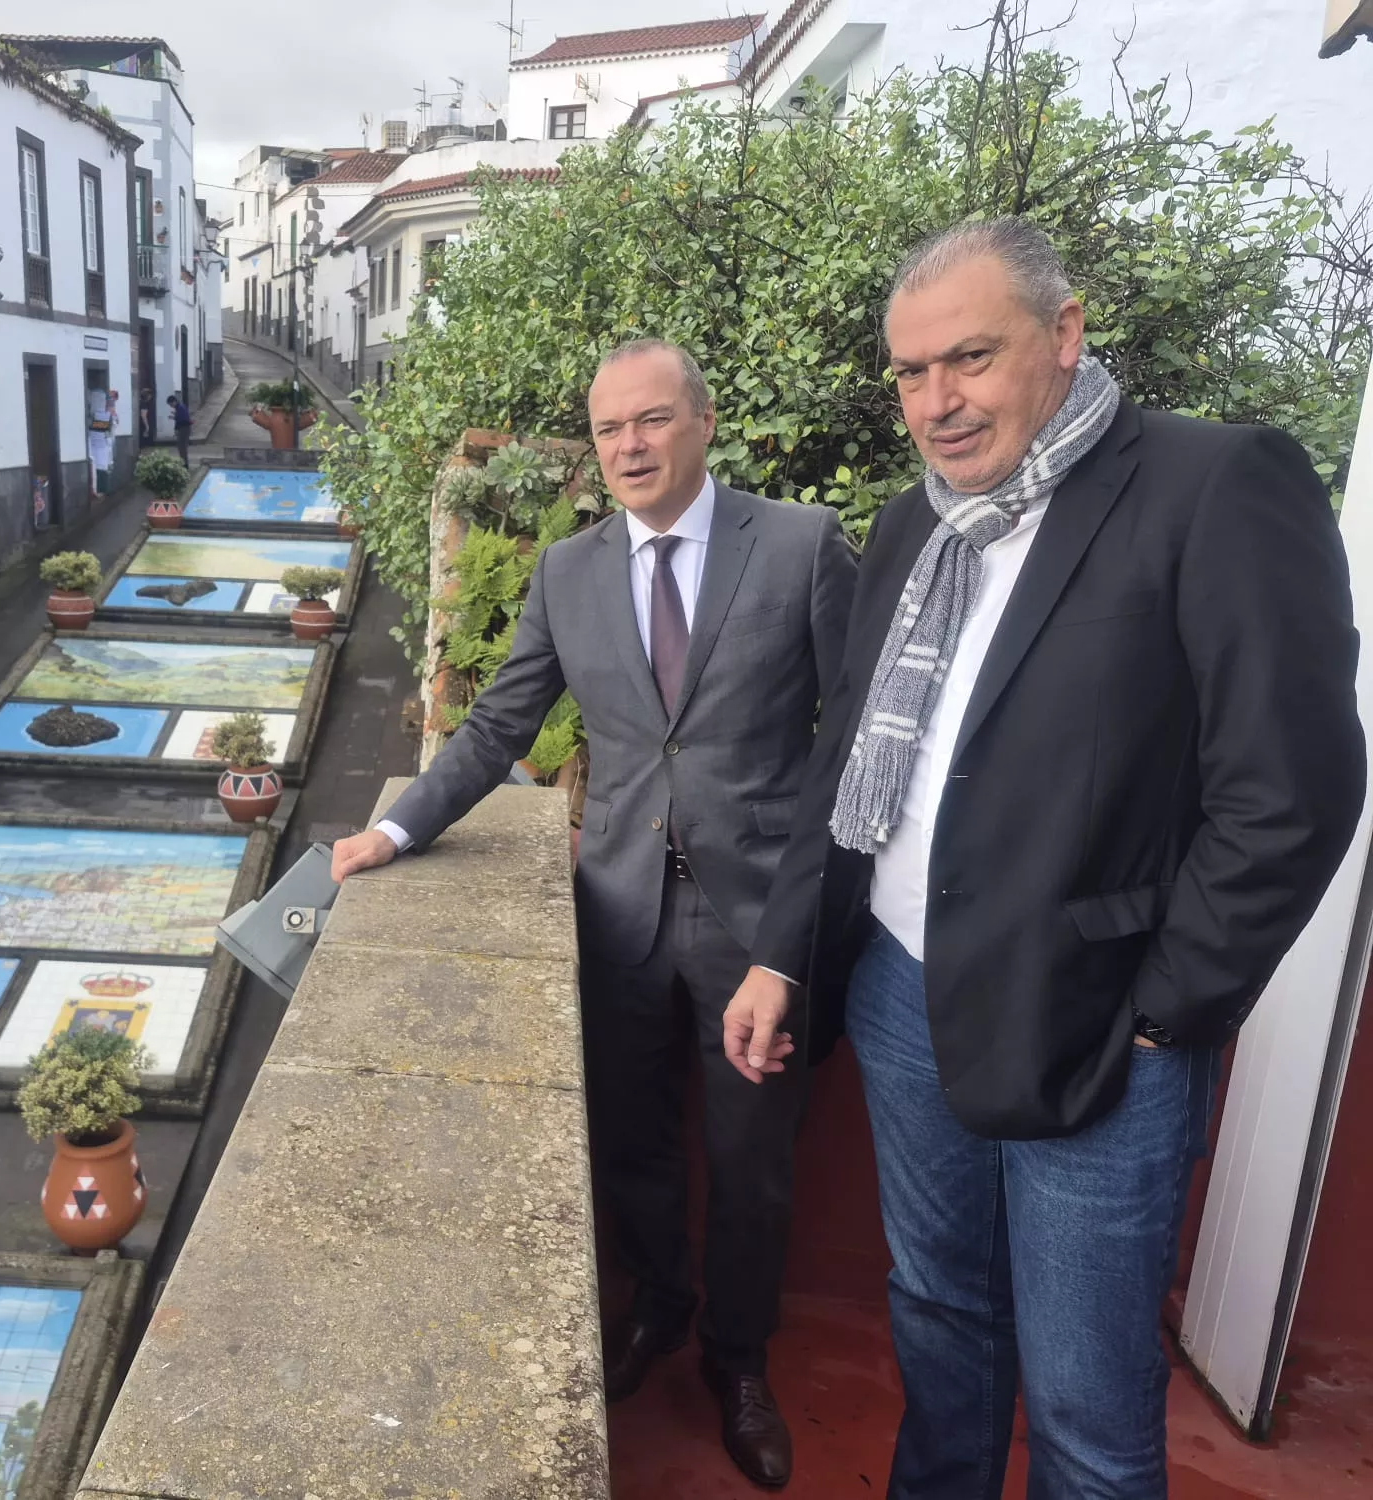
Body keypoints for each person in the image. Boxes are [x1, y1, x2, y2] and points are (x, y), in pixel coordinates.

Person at [727, 218, 1364, 1498]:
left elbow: (1292, 789)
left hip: (1094, 1029)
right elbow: (852, 758)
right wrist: (780, 957)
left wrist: (1165, 1012)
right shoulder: (915, 523)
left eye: (967, 357)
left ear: (1062, 337)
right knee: (938, 1323)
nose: (935, 402)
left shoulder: (1212, 484)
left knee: (1084, 1405)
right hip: (902, 997)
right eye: (908, 373)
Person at [331, 338, 855, 1487]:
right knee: (628, 1138)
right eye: (609, 427)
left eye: (652, 420)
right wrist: (396, 830)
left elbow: (850, 751)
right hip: (616, 909)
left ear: (703, 423)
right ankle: (657, 1305)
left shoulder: (802, 547)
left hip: (756, 924)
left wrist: (798, 932)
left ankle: (738, 1358)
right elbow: (495, 725)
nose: (628, 444)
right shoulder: (569, 573)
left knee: (751, 1157)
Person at [168, 391, 193, 467]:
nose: (171, 406)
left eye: (171, 404)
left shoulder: (180, 408)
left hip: (184, 429)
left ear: (174, 402)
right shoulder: (179, 407)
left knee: (182, 447)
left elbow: (183, 419)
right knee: (181, 447)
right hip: (183, 428)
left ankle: (185, 464)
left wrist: (174, 417)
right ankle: (183, 462)